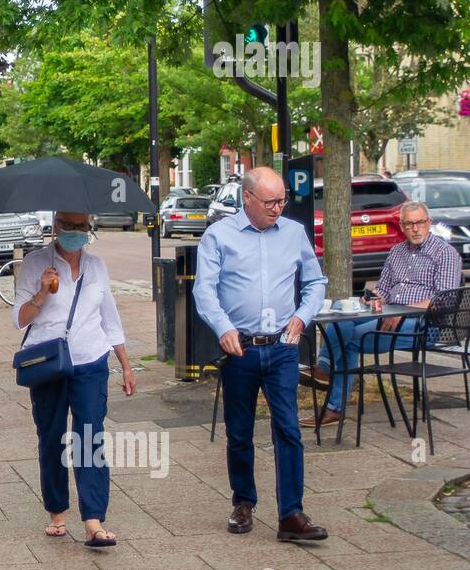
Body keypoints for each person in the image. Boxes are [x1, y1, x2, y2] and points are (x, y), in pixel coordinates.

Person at [193, 167, 329, 542]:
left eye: (282, 200)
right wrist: (223, 328)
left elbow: (316, 281)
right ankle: (243, 501)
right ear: (247, 199)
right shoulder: (219, 236)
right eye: (270, 201)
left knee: (288, 428)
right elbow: (204, 290)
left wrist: (302, 318)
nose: (278, 208)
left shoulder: (294, 232)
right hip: (241, 348)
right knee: (239, 431)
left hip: (283, 346)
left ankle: (291, 514)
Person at [14, 211, 136, 546]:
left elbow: (109, 317)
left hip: (91, 361)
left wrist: (125, 364)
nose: (78, 233)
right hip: (49, 363)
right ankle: (57, 511)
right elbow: (20, 319)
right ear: (56, 228)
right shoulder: (35, 263)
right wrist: (41, 293)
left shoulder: (97, 266)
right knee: (52, 437)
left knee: (90, 439)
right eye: (71, 227)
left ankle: (94, 520)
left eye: (84, 227)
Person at [304, 199, 462, 427]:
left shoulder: (444, 253)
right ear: (401, 226)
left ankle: (331, 396)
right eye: (409, 224)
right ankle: (325, 371)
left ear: (430, 222)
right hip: (387, 314)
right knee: (342, 318)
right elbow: (383, 289)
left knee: (349, 340)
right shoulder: (397, 252)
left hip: (425, 324)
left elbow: (444, 300)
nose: (415, 229)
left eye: (420, 223)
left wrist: (404, 312)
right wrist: (372, 299)